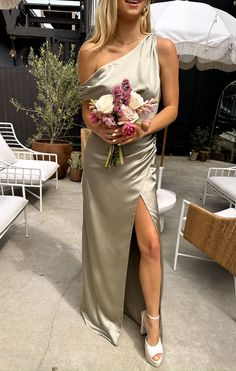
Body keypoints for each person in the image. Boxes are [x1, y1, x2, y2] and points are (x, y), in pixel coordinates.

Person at [77, 0, 179, 367]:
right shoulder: (90, 52)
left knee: (150, 243)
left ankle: (152, 322)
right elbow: (87, 111)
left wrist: (143, 126)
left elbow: (171, 107)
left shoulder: (162, 48)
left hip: (139, 158)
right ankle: (105, 301)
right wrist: (99, 125)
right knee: (106, 238)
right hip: (102, 163)